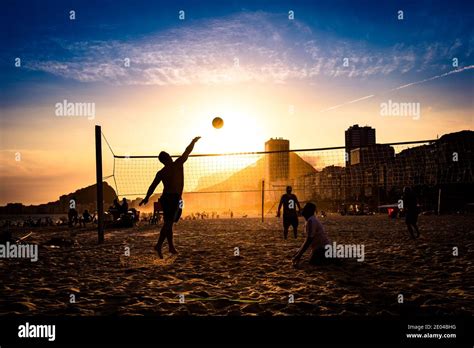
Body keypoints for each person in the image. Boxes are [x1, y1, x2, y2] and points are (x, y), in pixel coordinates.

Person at [139, 136, 201, 258]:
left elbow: (152, 186)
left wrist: (147, 197)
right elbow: (187, 151)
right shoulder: (177, 164)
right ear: (167, 158)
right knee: (168, 223)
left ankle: (165, 246)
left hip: (167, 198)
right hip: (174, 199)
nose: (170, 156)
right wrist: (193, 142)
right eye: (168, 155)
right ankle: (164, 246)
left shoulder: (162, 172)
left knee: (169, 223)